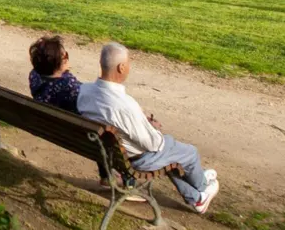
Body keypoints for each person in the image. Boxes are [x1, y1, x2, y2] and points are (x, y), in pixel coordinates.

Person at [75, 43, 220, 214]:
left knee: (173, 156)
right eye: (129, 62)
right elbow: (154, 145)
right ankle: (202, 188)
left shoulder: (84, 91)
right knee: (189, 152)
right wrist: (153, 129)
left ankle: (197, 191)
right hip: (136, 159)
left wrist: (142, 124)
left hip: (107, 152)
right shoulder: (124, 106)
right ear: (121, 67)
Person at [28, 35, 82, 111]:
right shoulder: (70, 86)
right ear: (63, 59)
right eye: (65, 55)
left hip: (41, 118)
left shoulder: (34, 75)